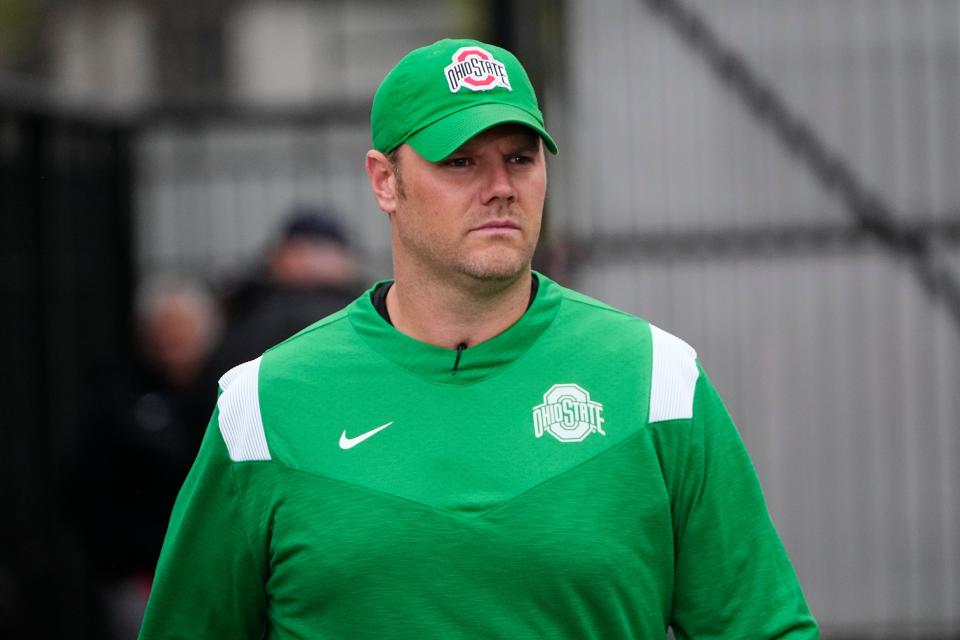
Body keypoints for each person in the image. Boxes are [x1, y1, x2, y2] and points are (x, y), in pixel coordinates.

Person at [139, 38, 818, 638]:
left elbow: (760, 625)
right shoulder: (266, 404)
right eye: (460, 162)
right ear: (385, 181)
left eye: (520, 158)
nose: (499, 187)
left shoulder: (656, 382)